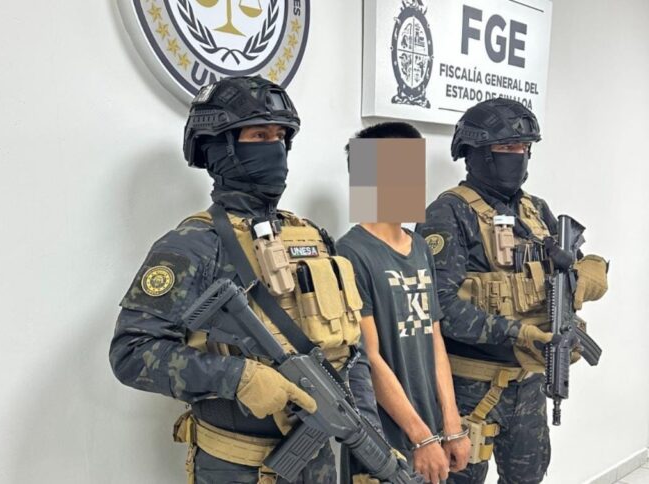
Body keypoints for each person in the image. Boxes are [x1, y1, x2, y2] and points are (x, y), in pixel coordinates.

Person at [109, 76, 390, 484]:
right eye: (259, 135)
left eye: (280, 136)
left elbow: (352, 354)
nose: (275, 148)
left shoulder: (311, 237)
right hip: (238, 467)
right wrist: (238, 377)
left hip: (317, 464)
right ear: (219, 147)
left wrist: (371, 446)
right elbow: (131, 353)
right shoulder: (193, 244)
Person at [415, 99, 609, 484]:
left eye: (523, 148)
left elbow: (575, 265)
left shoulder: (535, 211)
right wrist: (518, 334)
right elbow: (440, 307)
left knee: (528, 477)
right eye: (506, 148)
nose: (517, 156)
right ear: (475, 153)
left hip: (529, 382)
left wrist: (583, 275)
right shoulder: (448, 212)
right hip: (470, 388)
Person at [336, 122, 470, 484]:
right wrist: (419, 436)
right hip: (387, 438)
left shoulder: (420, 246)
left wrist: (450, 423)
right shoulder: (349, 252)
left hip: (431, 430)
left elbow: (434, 338)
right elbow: (367, 358)